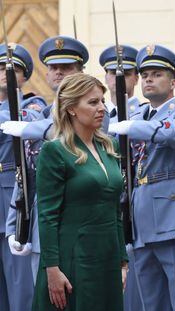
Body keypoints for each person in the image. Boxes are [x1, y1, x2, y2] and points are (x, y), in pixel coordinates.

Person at [108, 44, 175, 311]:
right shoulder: (135, 115)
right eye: (144, 74)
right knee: (151, 302)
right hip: (141, 217)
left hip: (172, 217)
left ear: (173, 81)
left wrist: (135, 127)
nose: (148, 78)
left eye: (157, 74)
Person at [32, 73, 128, 310]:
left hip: (107, 256)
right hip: (74, 257)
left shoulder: (109, 146)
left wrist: (122, 261)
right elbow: (47, 215)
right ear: (72, 108)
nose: (102, 108)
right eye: (93, 102)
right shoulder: (55, 151)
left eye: (102, 101)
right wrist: (51, 269)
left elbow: (115, 209)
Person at [4, 36, 89, 283]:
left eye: (67, 67)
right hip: (43, 226)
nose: (58, 72)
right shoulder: (40, 116)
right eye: (53, 67)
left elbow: (66, 127)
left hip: (81, 222)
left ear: (80, 71)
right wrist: (13, 225)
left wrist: (27, 128)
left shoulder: (94, 108)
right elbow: (26, 175)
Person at [99, 44, 143, 311]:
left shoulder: (145, 114)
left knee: (136, 294)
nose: (118, 78)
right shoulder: (97, 115)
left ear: (135, 78)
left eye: (125, 73)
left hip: (135, 207)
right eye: (112, 72)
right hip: (104, 206)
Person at [0, 42, 43, 311]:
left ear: (24, 76)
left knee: (20, 287)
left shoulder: (33, 104)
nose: (5, 73)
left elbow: (22, 122)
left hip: (12, 195)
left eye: (13, 69)